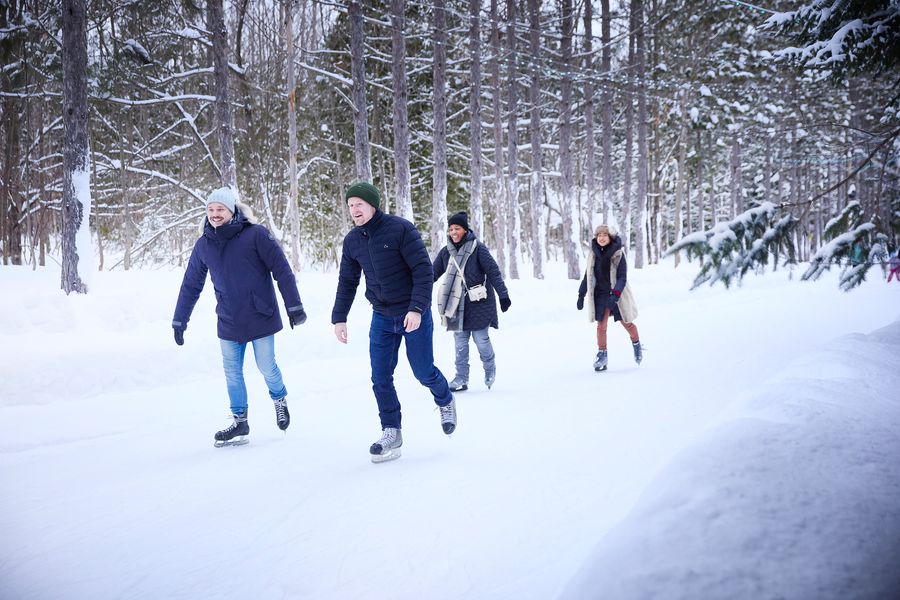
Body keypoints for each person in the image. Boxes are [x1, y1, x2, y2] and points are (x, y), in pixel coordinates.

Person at [331, 181, 456, 463]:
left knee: (423, 371)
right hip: (382, 316)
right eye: (350, 206)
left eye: (358, 205)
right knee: (380, 377)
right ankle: (391, 431)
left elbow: (423, 271)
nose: (353, 210)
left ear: (372, 205)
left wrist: (416, 308)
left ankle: (445, 399)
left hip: (413, 313)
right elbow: (347, 281)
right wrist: (339, 317)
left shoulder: (400, 229)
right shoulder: (352, 241)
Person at [172, 187, 306, 447]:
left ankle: (279, 399)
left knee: (266, 365)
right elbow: (191, 284)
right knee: (232, 372)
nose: (215, 214)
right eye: (210, 210)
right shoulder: (204, 245)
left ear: (232, 210)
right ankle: (240, 421)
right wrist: (180, 320)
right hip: (229, 318)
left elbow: (281, 269)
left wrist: (294, 306)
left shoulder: (255, 235)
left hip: (260, 314)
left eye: (220, 209)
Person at [432, 211, 511, 391]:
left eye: (457, 228)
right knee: (460, 343)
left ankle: (489, 368)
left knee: (481, 339)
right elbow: (432, 274)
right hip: (455, 304)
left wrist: (503, 295)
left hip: (478, 303)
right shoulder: (446, 252)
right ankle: (461, 378)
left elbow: (493, 271)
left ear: (465, 230)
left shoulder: (478, 248)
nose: (453, 232)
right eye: (451, 229)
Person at [576, 224, 642, 372]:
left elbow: (622, 278)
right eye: (599, 235)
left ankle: (636, 343)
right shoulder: (593, 254)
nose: (601, 238)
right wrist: (581, 294)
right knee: (601, 326)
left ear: (610, 237)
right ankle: (602, 355)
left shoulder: (618, 253)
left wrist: (616, 295)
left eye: (605, 235)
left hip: (617, 293)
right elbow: (588, 276)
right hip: (600, 294)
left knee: (627, 323)